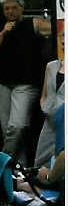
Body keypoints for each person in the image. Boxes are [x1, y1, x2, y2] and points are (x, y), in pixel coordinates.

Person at [0, 0, 51, 166]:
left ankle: (1, 164)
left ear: (21, 8)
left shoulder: (34, 23)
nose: (10, 12)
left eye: (14, 8)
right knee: (8, 129)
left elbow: (58, 28)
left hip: (26, 83)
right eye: (6, 8)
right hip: (1, 83)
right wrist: (2, 34)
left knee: (18, 125)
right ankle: (19, 171)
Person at [33, 36, 64, 168]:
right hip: (49, 123)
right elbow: (44, 94)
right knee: (41, 164)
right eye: (62, 39)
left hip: (64, 123)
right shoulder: (51, 66)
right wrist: (44, 107)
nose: (63, 42)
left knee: (59, 165)